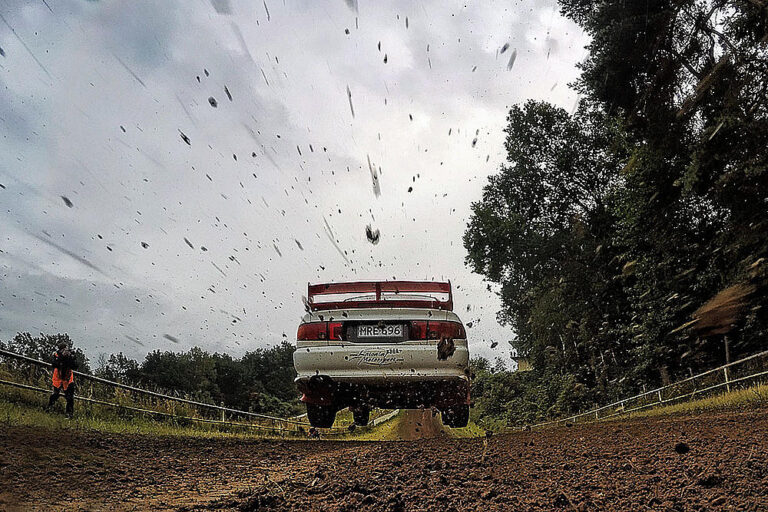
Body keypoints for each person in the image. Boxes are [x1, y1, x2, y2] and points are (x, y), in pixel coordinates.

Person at [47, 341, 78, 418]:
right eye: (63, 349)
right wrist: (61, 359)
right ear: (60, 349)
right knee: (55, 394)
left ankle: (69, 413)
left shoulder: (71, 355)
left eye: (65, 349)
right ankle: (50, 407)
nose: (64, 351)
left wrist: (70, 358)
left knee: (69, 397)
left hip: (68, 378)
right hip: (58, 377)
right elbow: (54, 364)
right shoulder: (56, 355)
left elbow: (75, 366)